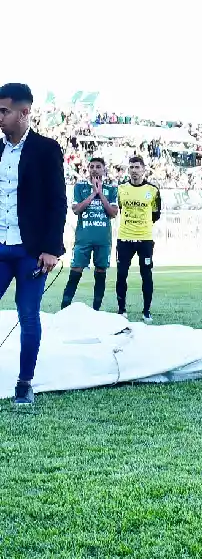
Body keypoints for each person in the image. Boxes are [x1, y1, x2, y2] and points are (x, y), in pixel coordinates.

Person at [0, 83, 67, 407]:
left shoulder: (46, 149)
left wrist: (52, 248)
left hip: (30, 252)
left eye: (4, 111)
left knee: (28, 315)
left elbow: (57, 202)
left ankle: (25, 383)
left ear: (25, 112)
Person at [61, 156, 119, 310]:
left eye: (98, 166)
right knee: (75, 272)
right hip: (83, 239)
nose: (94, 169)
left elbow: (113, 213)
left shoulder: (112, 189)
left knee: (100, 273)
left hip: (103, 240)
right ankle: (64, 308)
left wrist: (101, 193)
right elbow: (76, 209)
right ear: (88, 169)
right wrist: (93, 193)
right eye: (92, 166)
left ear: (104, 169)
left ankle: (96, 310)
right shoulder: (80, 187)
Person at [115, 155, 161, 323]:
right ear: (129, 170)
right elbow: (119, 208)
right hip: (124, 238)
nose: (134, 171)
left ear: (143, 170)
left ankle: (146, 310)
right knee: (121, 275)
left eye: (137, 167)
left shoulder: (153, 190)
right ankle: (121, 310)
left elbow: (156, 214)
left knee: (146, 275)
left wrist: (142, 225)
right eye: (131, 168)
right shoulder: (121, 189)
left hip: (145, 239)